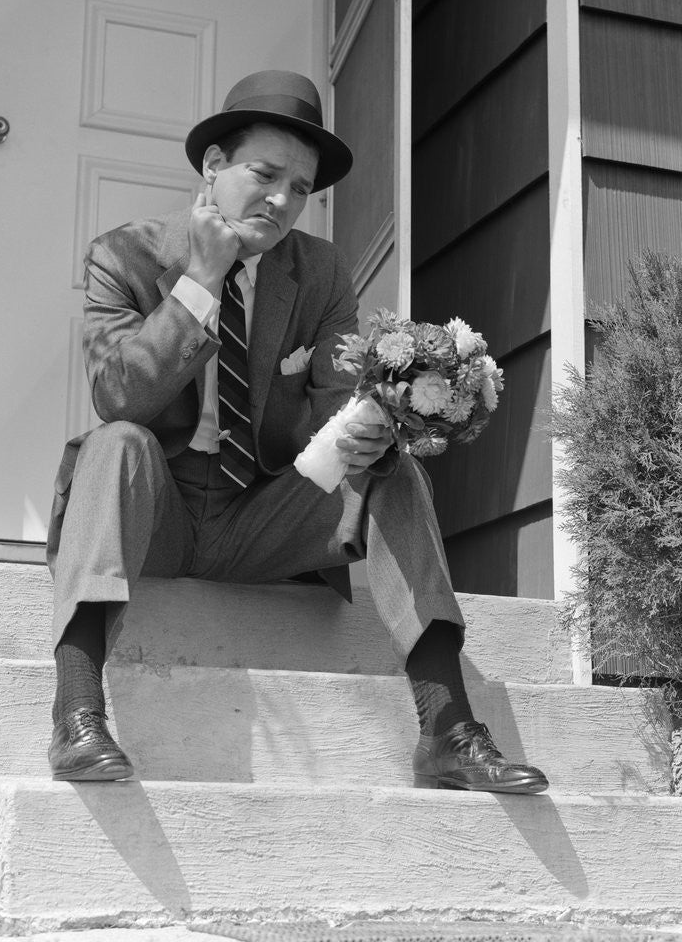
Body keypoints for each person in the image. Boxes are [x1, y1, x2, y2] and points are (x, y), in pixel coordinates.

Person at [46, 69, 548, 795]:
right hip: (157, 516)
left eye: (302, 188)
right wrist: (203, 282)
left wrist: (379, 424)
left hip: (264, 517)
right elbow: (121, 395)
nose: (283, 200)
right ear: (214, 167)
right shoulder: (124, 256)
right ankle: (77, 713)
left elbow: (330, 420)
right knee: (114, 442)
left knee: (390, 468)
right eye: (265, 174)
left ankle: (447, 729)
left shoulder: (317, 272)